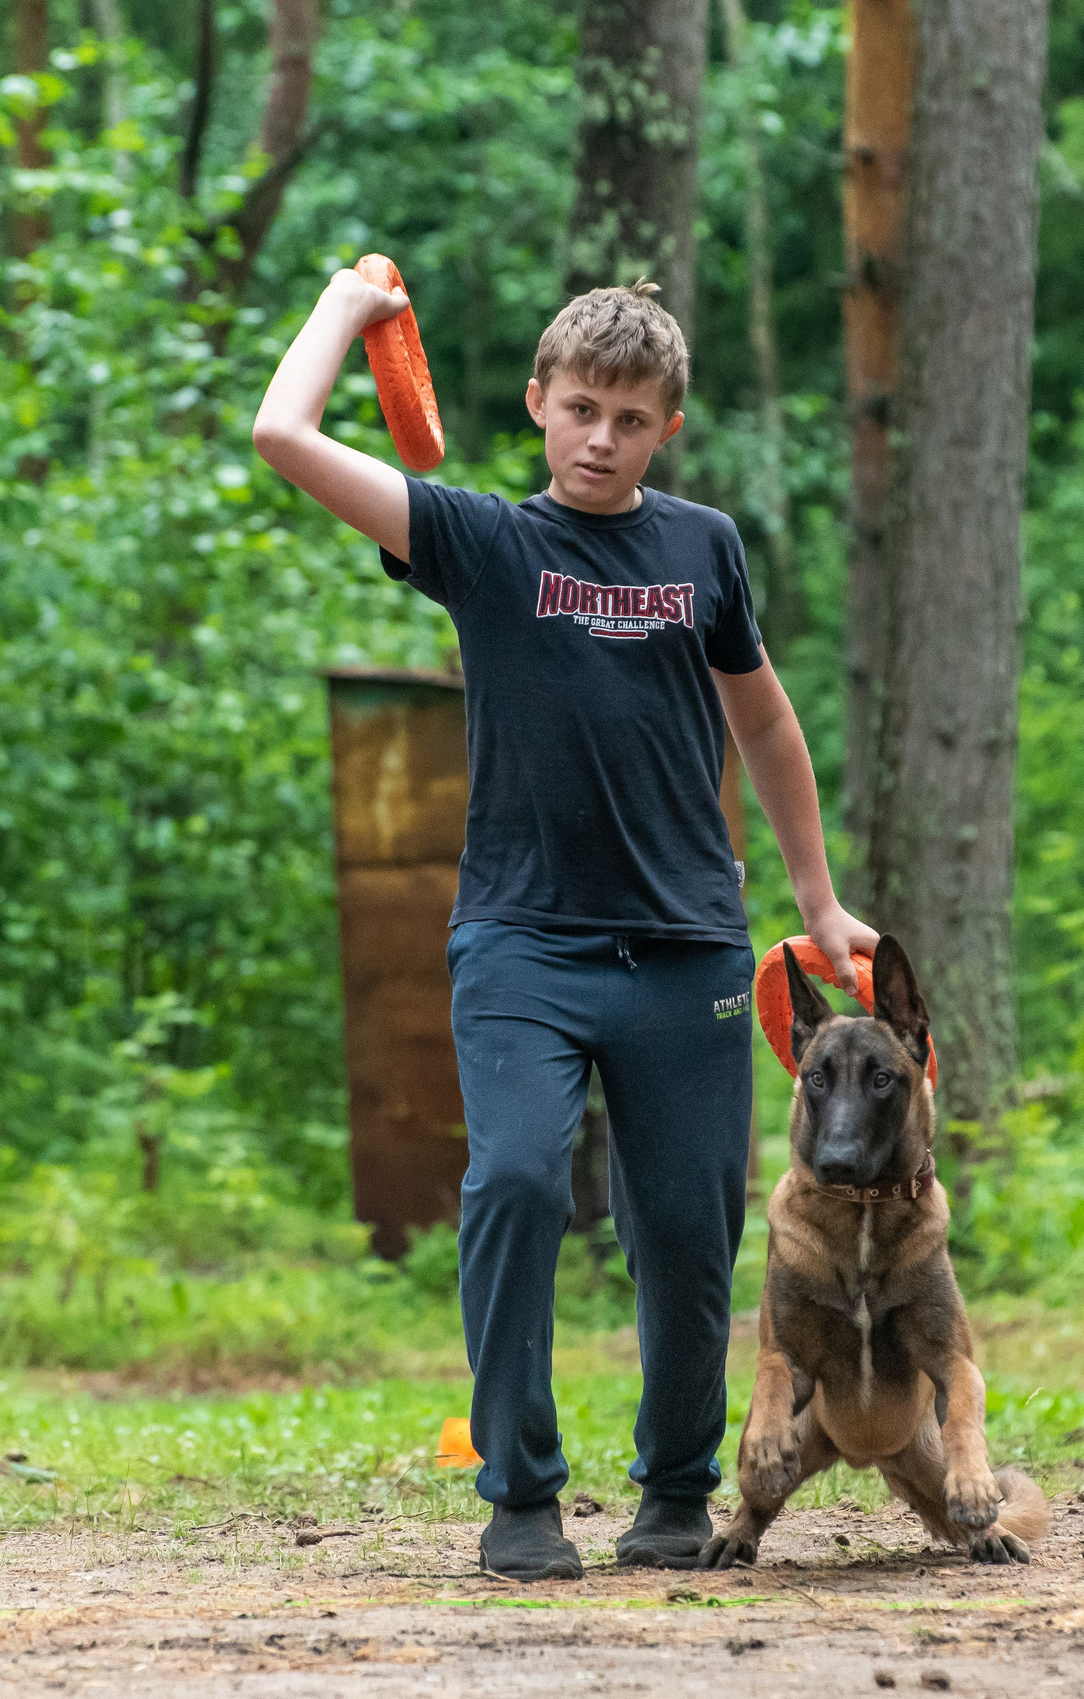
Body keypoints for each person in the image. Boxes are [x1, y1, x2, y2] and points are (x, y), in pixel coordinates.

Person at [253, 271, 877, 1580]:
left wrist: (818, 901)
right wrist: (346, 309)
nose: (602, 438)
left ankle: (675, 1491)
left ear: (669, 430)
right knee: (519, 1182)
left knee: (688, 1231)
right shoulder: (480, 541)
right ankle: (521, 1497)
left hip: (687, 945)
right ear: (539, 401)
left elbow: (765, 723)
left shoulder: (704, 549)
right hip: (523, 942)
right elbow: (283, 435)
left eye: (632, 419)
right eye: (581, 408)